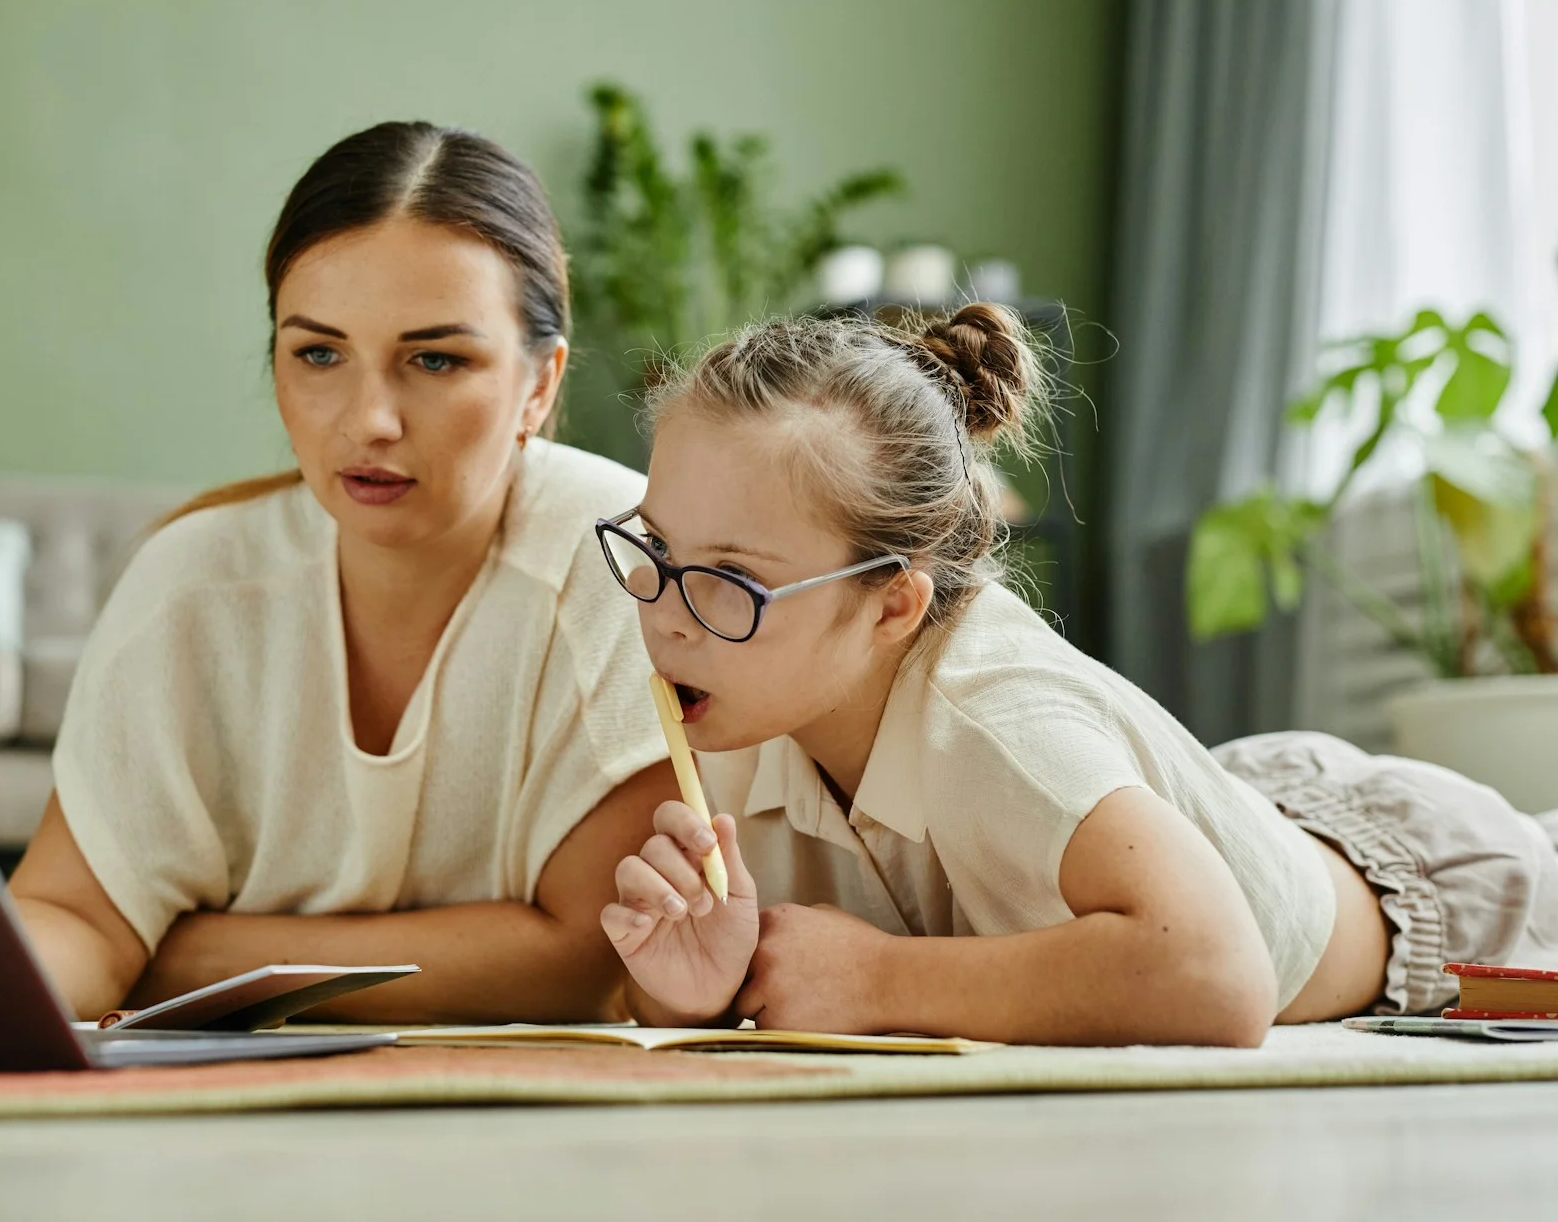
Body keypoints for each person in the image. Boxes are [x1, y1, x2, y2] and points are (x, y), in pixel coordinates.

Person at [596, 306, 1558, 1046]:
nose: (665, 614)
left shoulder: (995, 723)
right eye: (657, 549)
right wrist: (690, 991)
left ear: (892, 606)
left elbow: (1221, 976)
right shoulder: (736, 706)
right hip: (1220, 811)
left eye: (729, 579)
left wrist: (885, 982)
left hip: (1425, 890)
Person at [9, 122, 677, 1023]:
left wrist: (181, 955)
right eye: (319, 353)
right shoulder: (195, 579)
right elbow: (75, 920)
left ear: (540, 384)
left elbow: (579, 960)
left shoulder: (621, 560)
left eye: (436, 359)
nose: (370, 420)